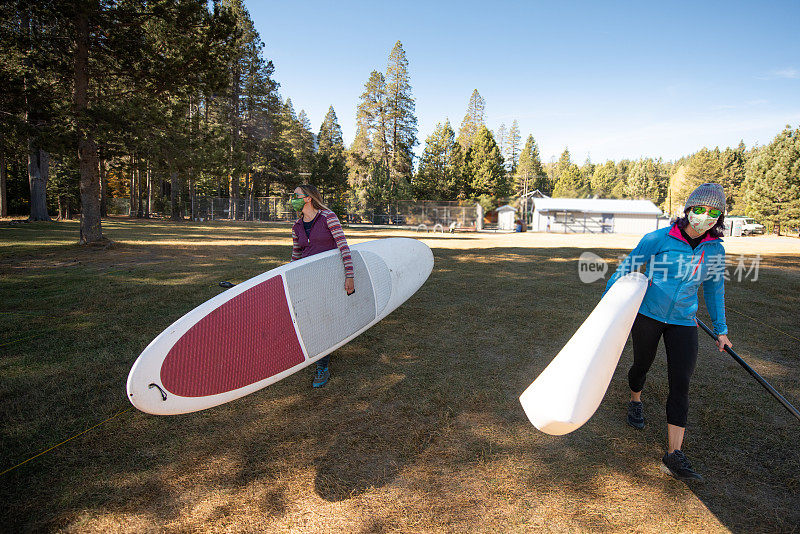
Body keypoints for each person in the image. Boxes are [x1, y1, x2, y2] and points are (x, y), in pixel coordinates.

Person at [604, 183, 732, 482]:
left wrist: (721, 330)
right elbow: (627, 268)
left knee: (681, 383)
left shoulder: (714, 250)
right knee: (641, 366)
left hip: (684, 322)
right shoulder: (658, 238)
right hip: (648, 314)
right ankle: (635, 400)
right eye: (700, 209)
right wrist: (607, 304)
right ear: (688, 209)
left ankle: (674, 454)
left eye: (714, 213)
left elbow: (714, 289)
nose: (705, 217)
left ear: (720, 218)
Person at [289, 184, 355, 388]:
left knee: (323, 320)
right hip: (308, 278)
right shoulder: (296, 226)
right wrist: (291, 278)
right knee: (311, 320)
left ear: (308, 198)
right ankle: (319, 355)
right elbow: (296, 255)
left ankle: (322, 366)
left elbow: (343, 246)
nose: (293, 199)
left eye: (296, 195)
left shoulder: (328, 217)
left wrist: (349, 275)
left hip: (329, 276)